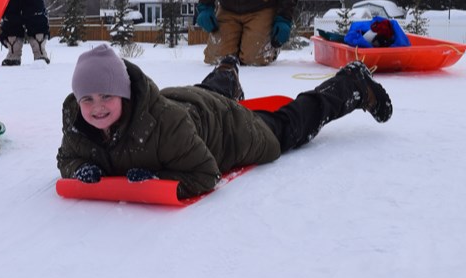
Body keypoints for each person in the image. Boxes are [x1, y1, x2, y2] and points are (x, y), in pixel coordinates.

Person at [57, 45, 392, 200]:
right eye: (87, 99)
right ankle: (226, 75)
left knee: (287, 126)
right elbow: (67, 159)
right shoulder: (77, 125)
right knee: (200, 97)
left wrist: (159, 178)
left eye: (106, 97)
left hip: (227, 127)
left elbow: (206, 174)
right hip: (188, 102)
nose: (96, 108)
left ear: (125, 96)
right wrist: (77, 171)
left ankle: (352, 85)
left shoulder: (165, 126)